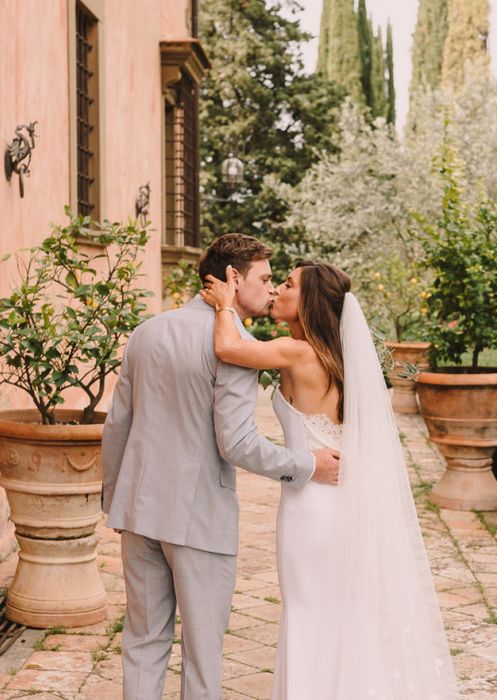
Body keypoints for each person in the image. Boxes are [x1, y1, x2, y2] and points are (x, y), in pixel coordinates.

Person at [200, 261, 459, 699]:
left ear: (310, 303)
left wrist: (225, 304)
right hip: (340, 502)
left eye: (288, 284)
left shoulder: (298, 352)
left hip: (312, 506)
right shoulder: (332, 357)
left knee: (306, 610)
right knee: (339, 610)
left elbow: (227, 348)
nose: (278, 290)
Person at [101, 234, 340, 700]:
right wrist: (307, 465)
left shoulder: (148, 330)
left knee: (143, 641)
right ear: (233, 278)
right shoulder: (235, 346)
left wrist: (115, 498)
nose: (271, 289)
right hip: (199, 518)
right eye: (265, 279)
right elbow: (238, 444)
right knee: (202, 653)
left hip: (137, 511)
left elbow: (118, 423)